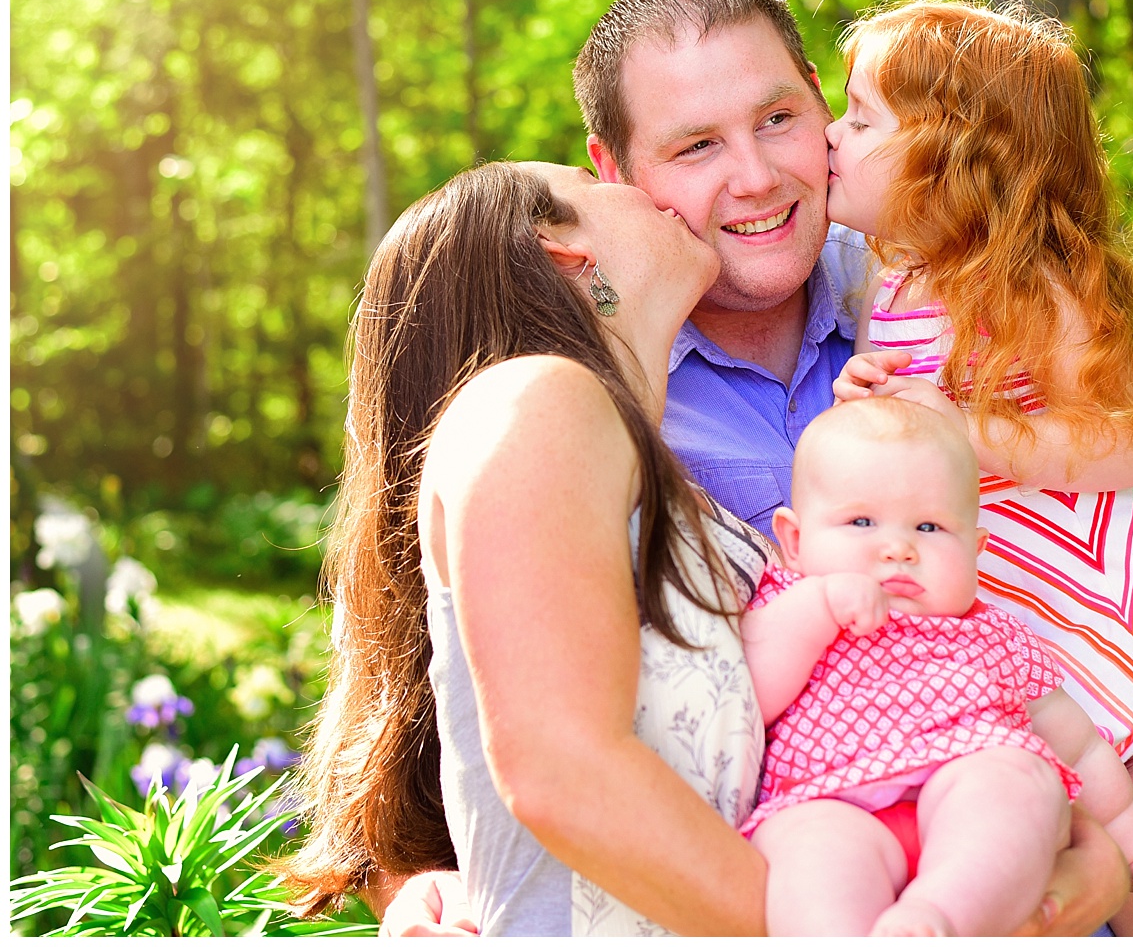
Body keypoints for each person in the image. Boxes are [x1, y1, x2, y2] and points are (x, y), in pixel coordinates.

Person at [371, 0, 1133, 935]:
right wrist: (418, 879)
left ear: (826, 110)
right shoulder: (573, 411)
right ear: (614, 176)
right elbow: (470, 707)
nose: (754, 175)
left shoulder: (946, 279)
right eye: (697, 145)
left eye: (778, 118)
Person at [825, 0, 1133, 934]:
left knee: (1104, 752)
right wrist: (872, 407)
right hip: (989, 573)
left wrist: (963, 428)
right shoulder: (894, 280)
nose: (832, 135)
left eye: (860, 118)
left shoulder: (1037, 281)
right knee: (1061, 789)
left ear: (955, 157)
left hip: (1069, 565)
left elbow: (1127, 441)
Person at [276, 159, 784, 934]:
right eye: (592, 178)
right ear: (560, 249)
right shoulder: (537, 398)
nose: (653, 194)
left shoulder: (652, 478)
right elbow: (562, 769)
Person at [740, 396, 1133, 936]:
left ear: (974, 550)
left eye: (929, 528)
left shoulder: (995, 634)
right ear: (793, 541)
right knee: (808, 855)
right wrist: (818, 610)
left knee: (1019, 780)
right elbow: (748, 700)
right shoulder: (786, 605)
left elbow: (1082, 748)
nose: (898, 548)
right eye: (862, 521)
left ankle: (938, 920)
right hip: (830, 801)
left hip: (968, 800)